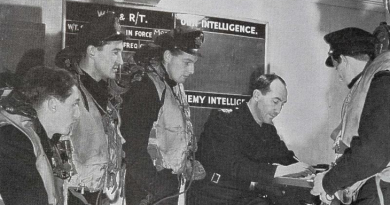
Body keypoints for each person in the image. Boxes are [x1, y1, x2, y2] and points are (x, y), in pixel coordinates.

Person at [188, 74, 315, 205]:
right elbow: (234, 165)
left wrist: (309, 171)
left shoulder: (268, 129)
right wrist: (282, 171)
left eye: (282, 104)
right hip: (215, 196)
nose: (278, 110)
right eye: (275, 102)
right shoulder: (224, 119)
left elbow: (284, 156)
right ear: (256, 95)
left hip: (244, 195)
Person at [120, 26, 206, 205]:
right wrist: (156, 187)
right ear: (167, 56)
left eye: (194, 63)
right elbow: (133, 149)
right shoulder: (146, 88)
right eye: (187, 62)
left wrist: (187, 164)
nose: (192, 71)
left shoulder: (172, 87)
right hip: (148, 190)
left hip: (165, 186)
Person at [311, 27, 390, 205]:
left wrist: (328, 182)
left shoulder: (383, 79)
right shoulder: (372, 81)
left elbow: (372, 155)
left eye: (336, 65)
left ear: (344, 60)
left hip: (381, 190)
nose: (338, 75)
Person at [55, 12, 126, 204]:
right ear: (92, 51)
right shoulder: (66, 92)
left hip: (102, 195)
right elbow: (55, 150)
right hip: (75, 197)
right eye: (115, 52)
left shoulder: (104, 95)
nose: (121, 61)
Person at [0, 66, 80, 205]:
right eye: (74, 105)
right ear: (53, 104)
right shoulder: (14, 140)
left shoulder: (41, 139)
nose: (77, 114)